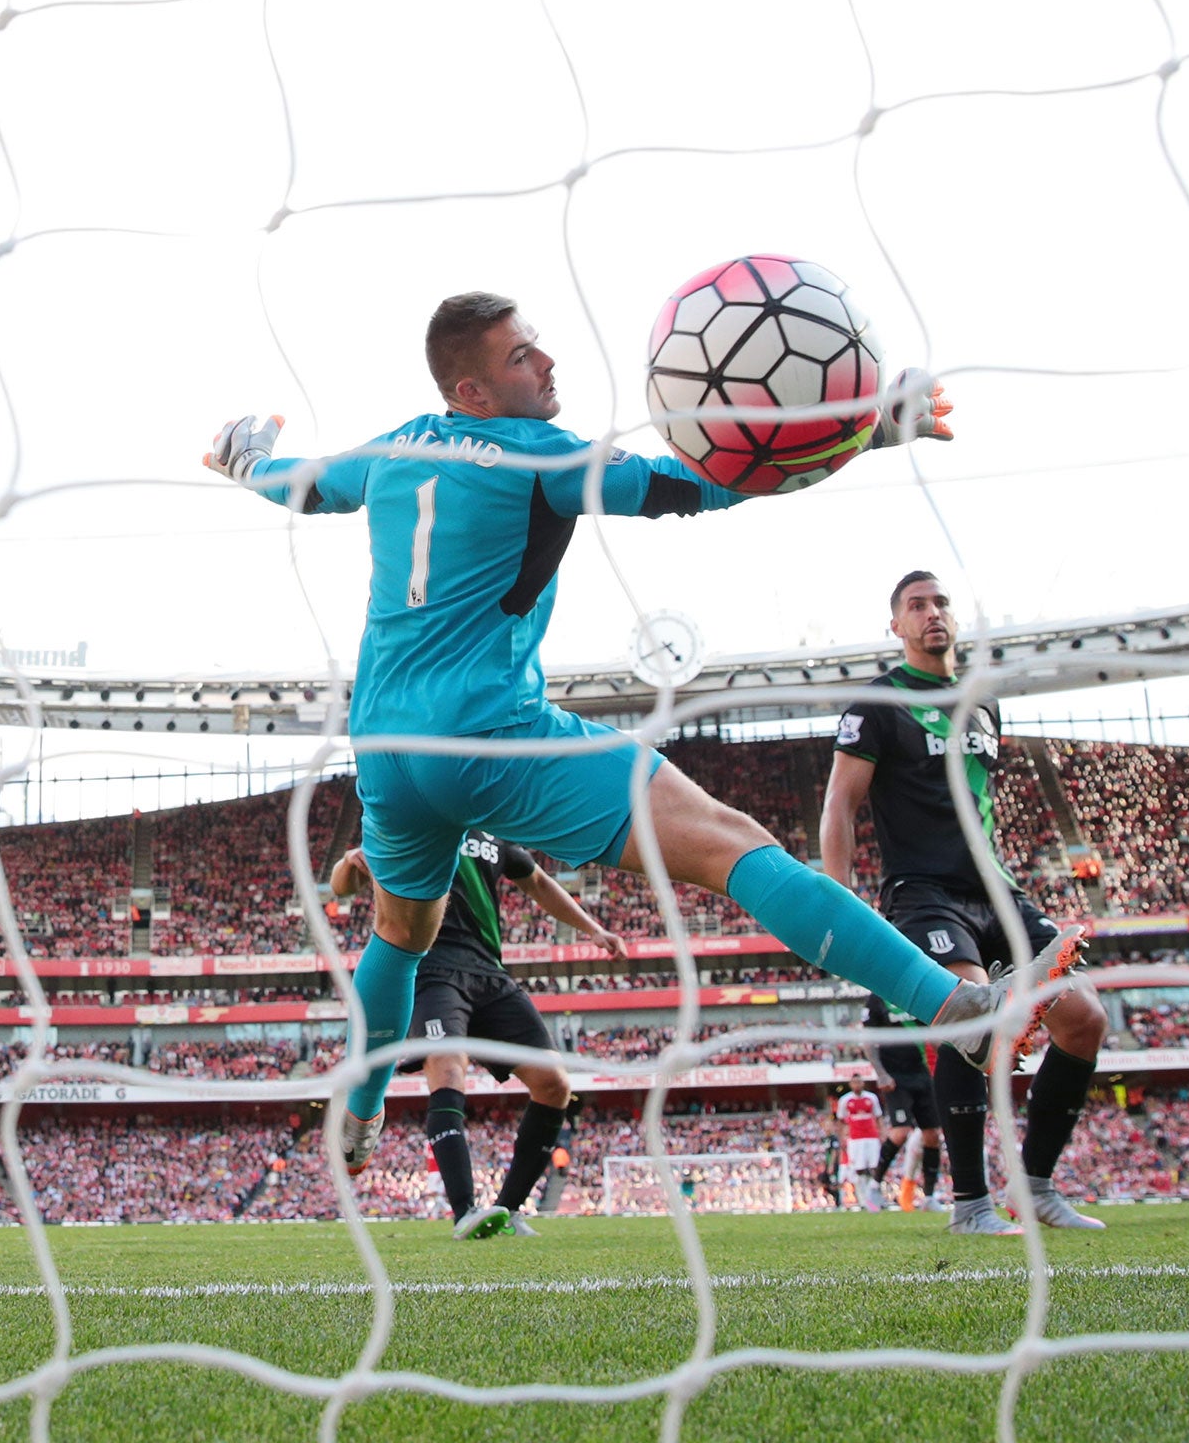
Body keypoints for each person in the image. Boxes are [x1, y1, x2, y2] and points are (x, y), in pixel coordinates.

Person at [206, 292, 1083, 1174]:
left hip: (387, 755)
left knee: (402, 935)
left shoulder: (396, 446)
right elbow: (695, 487)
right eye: (522, 357)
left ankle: (356, 1112)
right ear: (471, 390)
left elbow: (306, 488)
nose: (546, 365)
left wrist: (250, 458)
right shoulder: (539, 452)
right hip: (494, 739)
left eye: (538, 347)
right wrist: (861, 429)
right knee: (732, 844)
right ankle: (952, 1009)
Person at [821, 571, 1105, 1235]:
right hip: (923, 894)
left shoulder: (983, 702)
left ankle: (1034, 1187)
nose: (932, 614)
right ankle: (970, 1203)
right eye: (916, 606)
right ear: (896, 626)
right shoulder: (878, 702)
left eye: (940, 602)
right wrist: (840, 901)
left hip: (997, 891)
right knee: (964, 1013)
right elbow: (840, 803)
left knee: (1086, 1019)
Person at [331, 830, 626, 1239]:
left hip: (490, 974)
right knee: (449, 1071)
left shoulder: (493, 832)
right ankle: (464, 1210)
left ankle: (507, 1210)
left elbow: (537, 881)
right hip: (430, 972)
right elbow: (341, 885)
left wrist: (593, 928)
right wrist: (349, 864)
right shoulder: (412, 818)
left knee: (554, 1083)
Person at [865, 993, 945, 1212]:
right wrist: (880, 1073)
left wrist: (947, 1063)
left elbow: (932, 1034)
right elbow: (869, 1041)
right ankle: (874, 1186)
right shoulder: (877, 999)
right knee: (901, 1131)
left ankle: (929, 1197)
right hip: (895, 1078)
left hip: (921, 1074)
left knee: (932, 1135)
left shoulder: (913, 994)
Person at [835, 1077, 885, 1210]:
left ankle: (876, 1198)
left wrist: (882, 1134)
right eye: (854, 1082)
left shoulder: (872, 1098)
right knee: (859, 1169)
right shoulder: (845, 1100)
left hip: (872, 1137)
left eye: (859, 1081)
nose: (857, 1084)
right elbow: (840, 1121)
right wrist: (842, 1139)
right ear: (850, 1084)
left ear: (863, 1083)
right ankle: (864, 1201)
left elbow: (878, 1117)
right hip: (855, 1138)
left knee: (875, 1168)